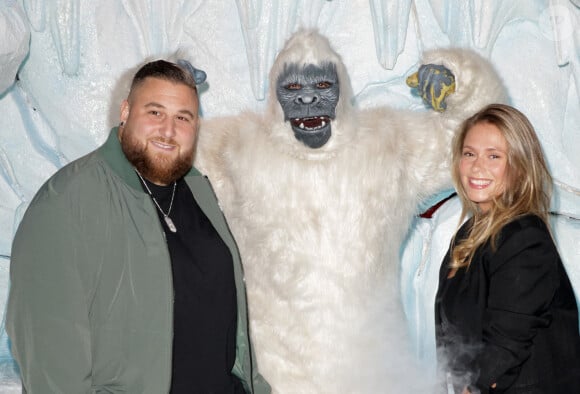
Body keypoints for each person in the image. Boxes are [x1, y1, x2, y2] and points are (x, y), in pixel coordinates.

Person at [6, 59, 270, 394]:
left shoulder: (197, 188)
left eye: (183, 118)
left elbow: (230, 325)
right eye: (155, 112)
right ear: (126, 111)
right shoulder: (65, 202)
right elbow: (49, 361)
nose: (168, 130)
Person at [434, 103, 580, 393]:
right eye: (469, 153)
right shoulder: (472, 233)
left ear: (519, 166)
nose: (477, 166)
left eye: (494, 156)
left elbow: (504, 346)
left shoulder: (524, 239)